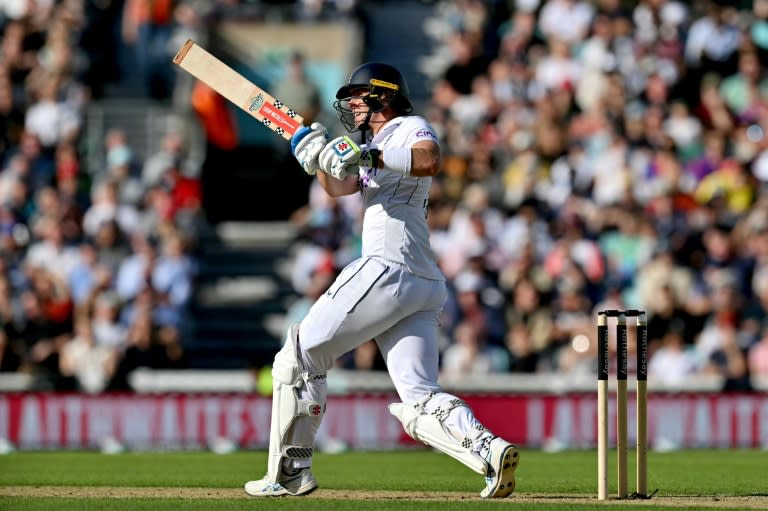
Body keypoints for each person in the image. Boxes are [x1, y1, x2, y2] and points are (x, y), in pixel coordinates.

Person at [243, 63, 519, 498]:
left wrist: (365, 154)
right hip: (420, 281)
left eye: (358, 95)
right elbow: (341, 187)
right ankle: (489, 450)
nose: (351, 104)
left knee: (298, 355)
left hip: (389, 266)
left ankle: (290, 470)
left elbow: (430, 160)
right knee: (420, 396)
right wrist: (315, 157)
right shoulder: (372, 143)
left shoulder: (409, 127)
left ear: (383, 96)